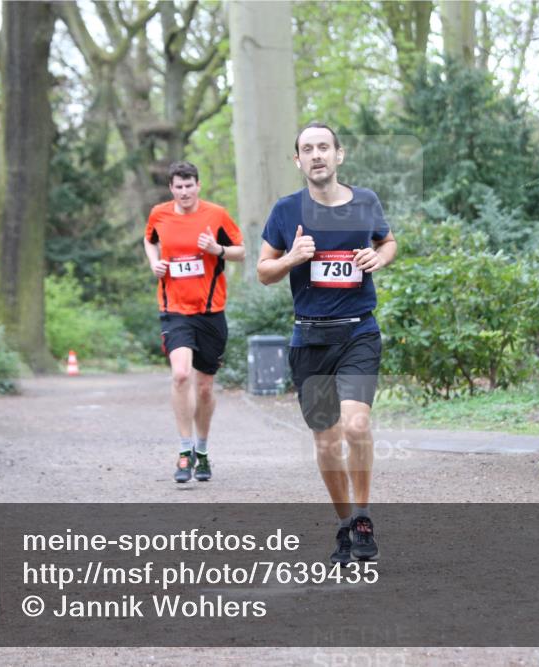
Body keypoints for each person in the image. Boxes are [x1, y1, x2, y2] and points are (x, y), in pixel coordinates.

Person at [257, 122, 397, 563]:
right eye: (307, 149)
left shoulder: (365, 201)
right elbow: (263, 271)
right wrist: (291, 258)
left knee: (355, 425)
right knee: (326, 441)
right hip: (310, 338)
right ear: (297, 161)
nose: (316, 155)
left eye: (323, 147)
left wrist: (379, 256)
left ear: (339, 154)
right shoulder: (286, 211)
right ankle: (343, 523)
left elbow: (388, 242)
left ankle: (363, 517)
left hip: (358, 331)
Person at [144, 161, 244, 483]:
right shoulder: (159, 214)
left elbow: (241, 251)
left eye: (189, 186)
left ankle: (202, 451)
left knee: (204, 388)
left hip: (211, 312)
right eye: (179, 186)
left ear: (198, 186)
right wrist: (155, 263)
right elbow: (149, 239)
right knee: (181, 375)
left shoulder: (217, 215)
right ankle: (184, 451)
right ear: (171, 188)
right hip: (174, 309)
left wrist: (217, 249)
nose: (184, 192)